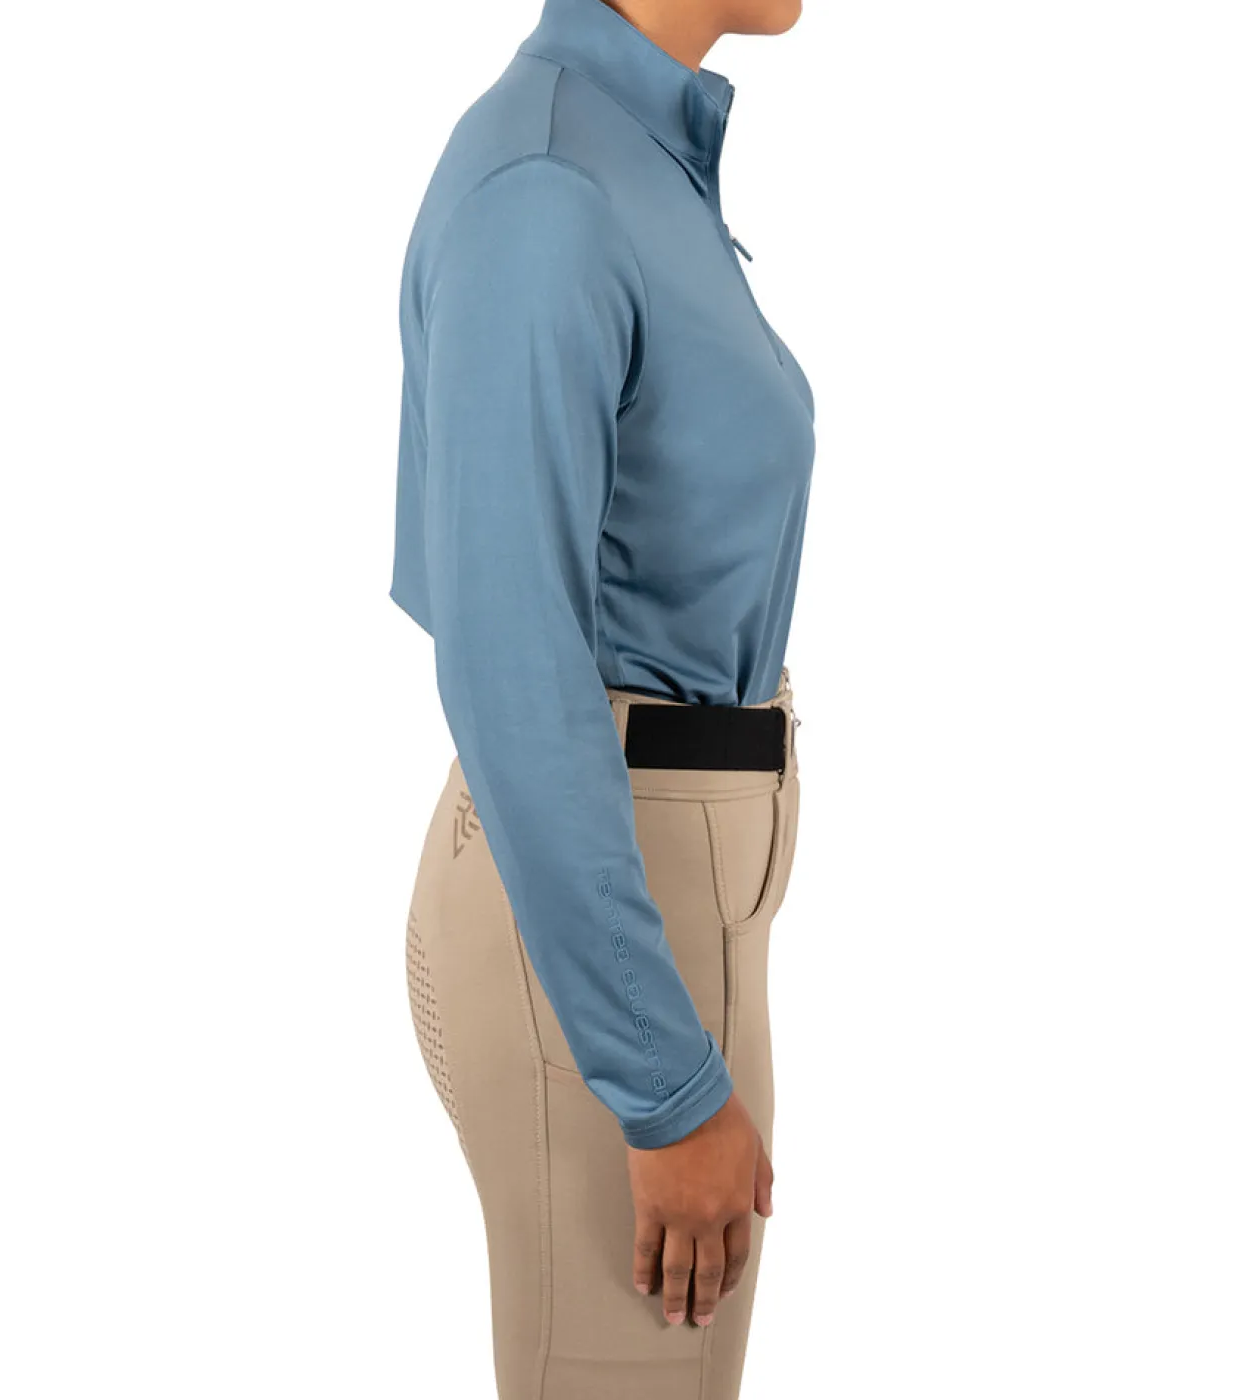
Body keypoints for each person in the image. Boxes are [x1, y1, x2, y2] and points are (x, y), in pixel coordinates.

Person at [389, 0, 815, 1394]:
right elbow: (508, 660)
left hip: (662, 877)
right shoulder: (548, 187)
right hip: (611, 885)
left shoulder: (633, 155)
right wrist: (663, 1084)